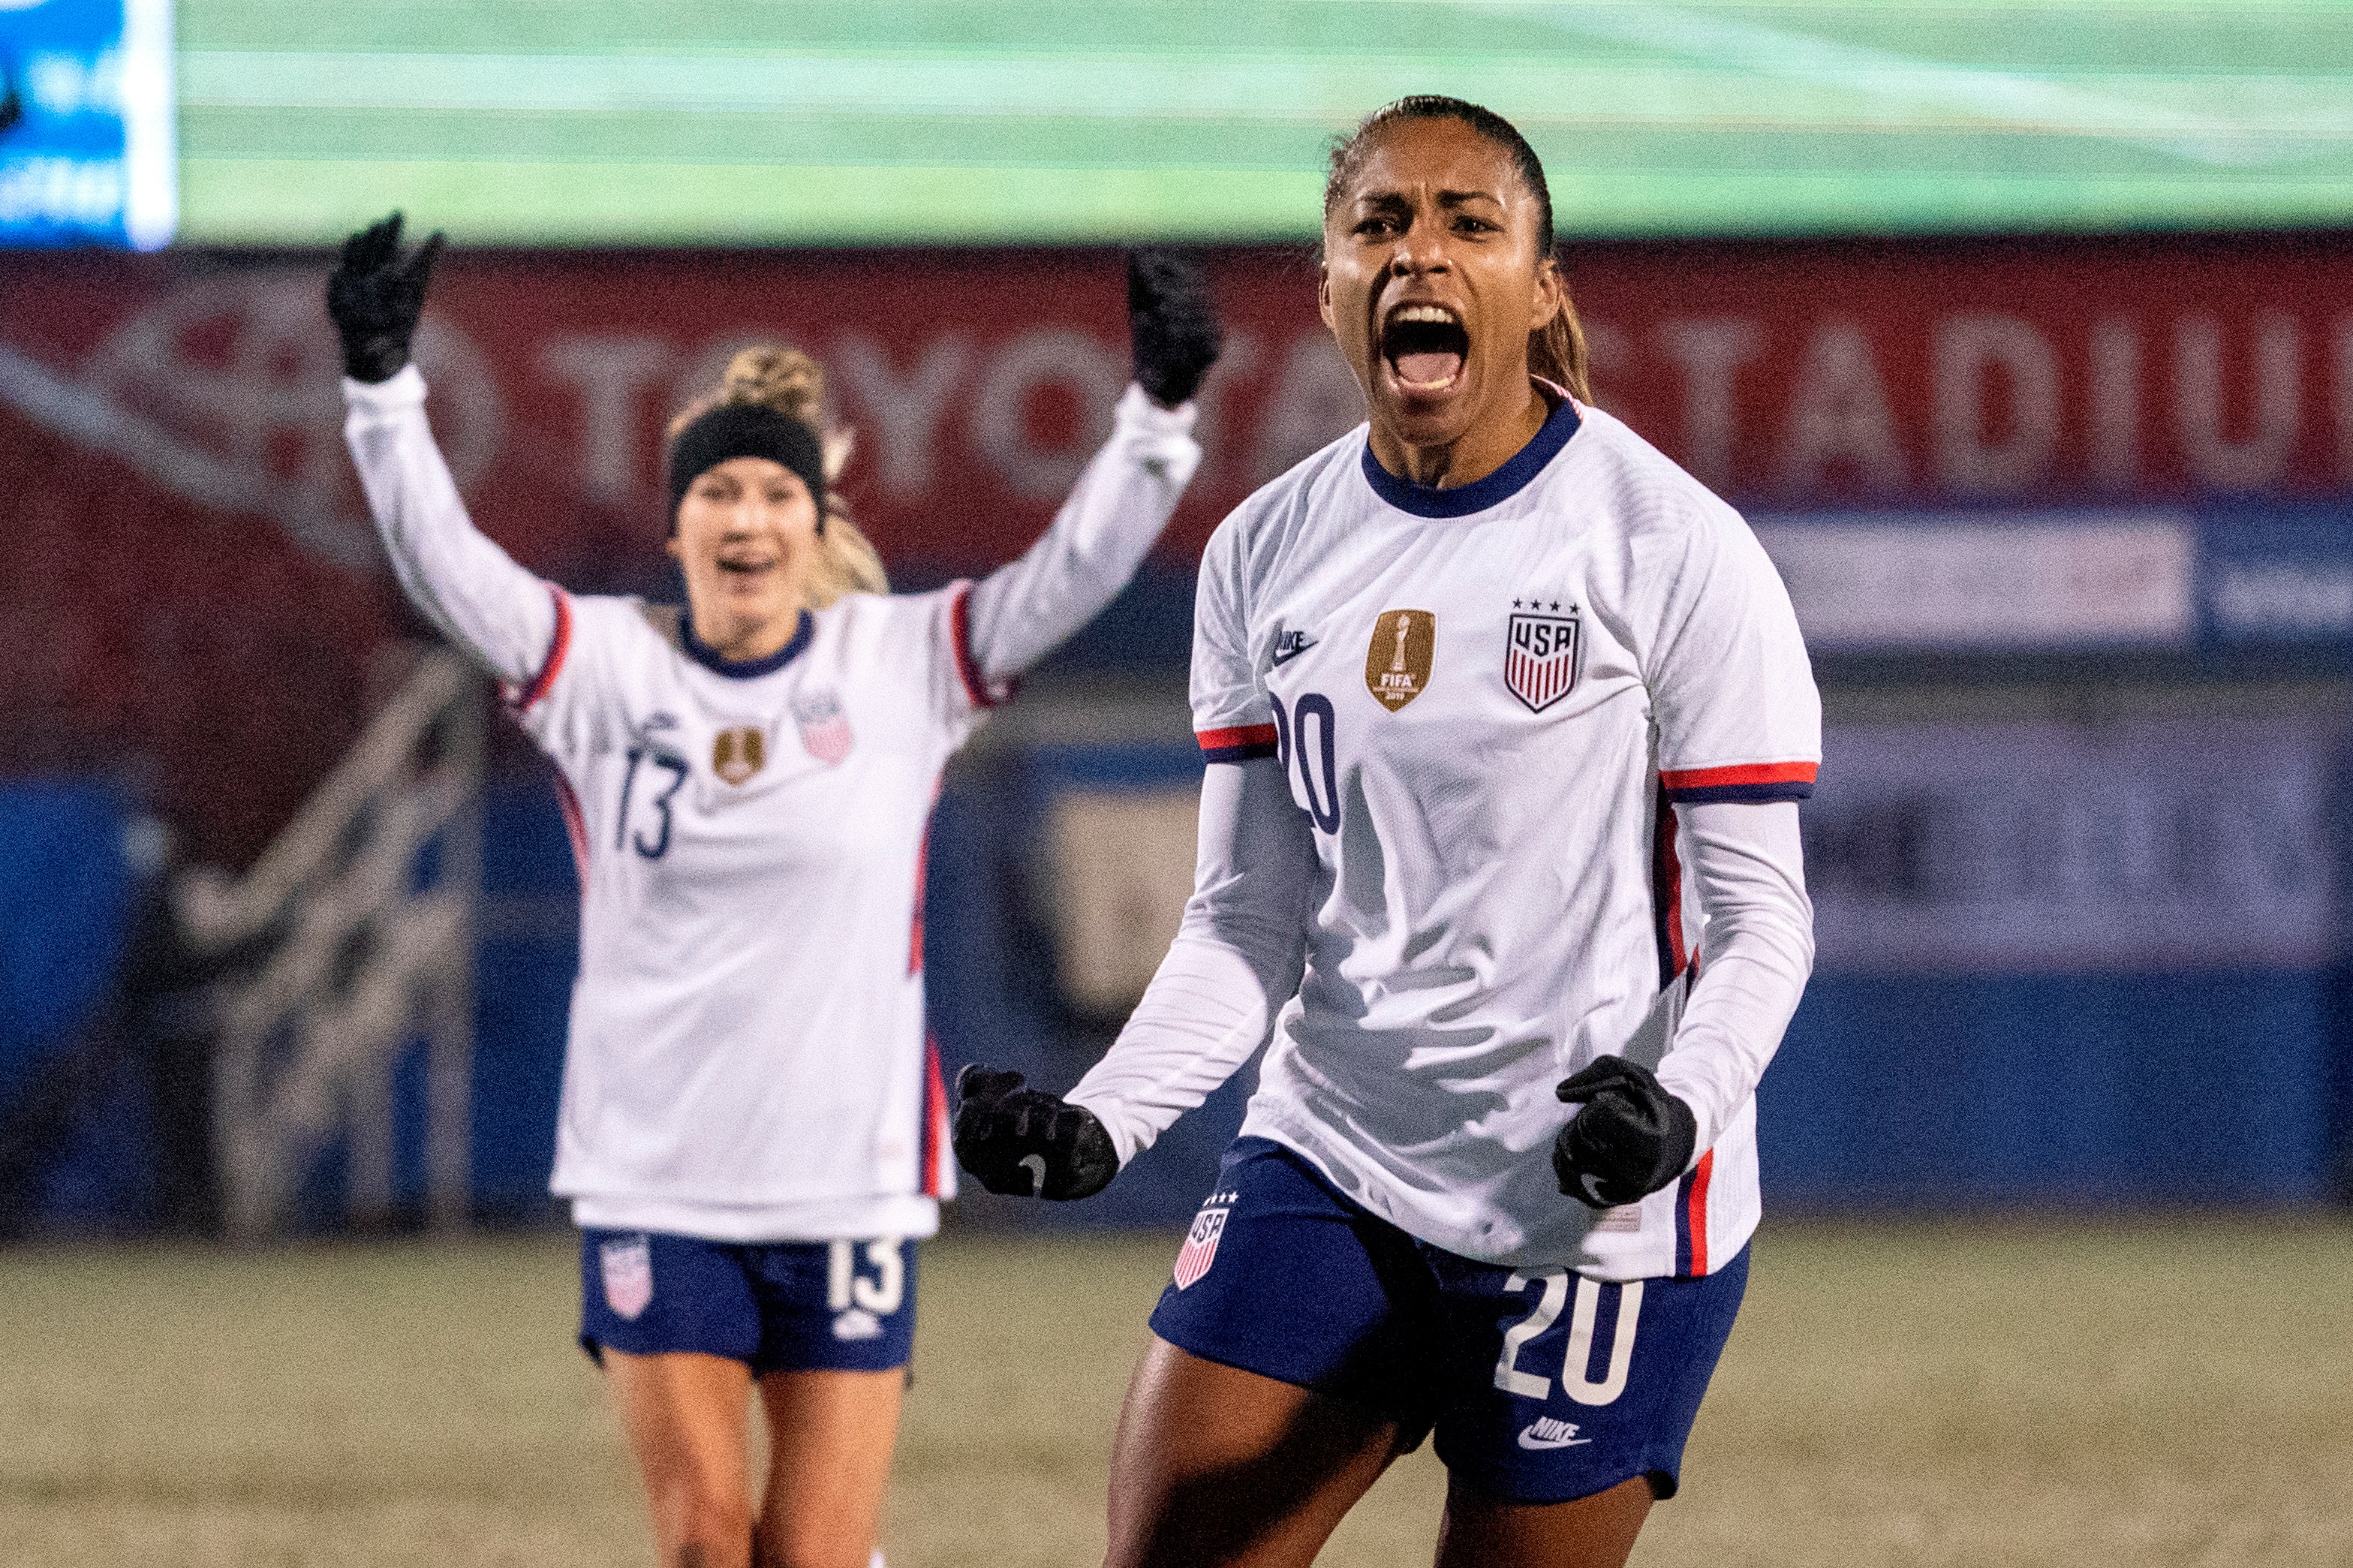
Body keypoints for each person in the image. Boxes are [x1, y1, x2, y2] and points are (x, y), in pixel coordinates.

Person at [953, 96, 1817, 1568]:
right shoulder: (1264, 553)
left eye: (1468, 223)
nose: (1419, 253)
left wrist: (1673, 1112)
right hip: (1332, 1157)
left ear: (1538, 287)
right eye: (1379, 225)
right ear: (1328, 287)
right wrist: (1105, 1119)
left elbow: (1758, 924)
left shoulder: (1668, 547)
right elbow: (1244, 918)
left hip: (1590, 1210)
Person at [327, 214, 1223, 1568]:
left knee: (810, 1551)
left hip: (848, 1183)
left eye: (774, 498)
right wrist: (384, 390)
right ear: (680, 524)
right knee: (703, 1541)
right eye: (718, 496)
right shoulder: (601, 668)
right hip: (655, 1178)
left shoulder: (901, 661)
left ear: (814, 526)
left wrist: (1157, 415)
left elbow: (1074, 573)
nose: (746, 518)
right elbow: (449, 566)